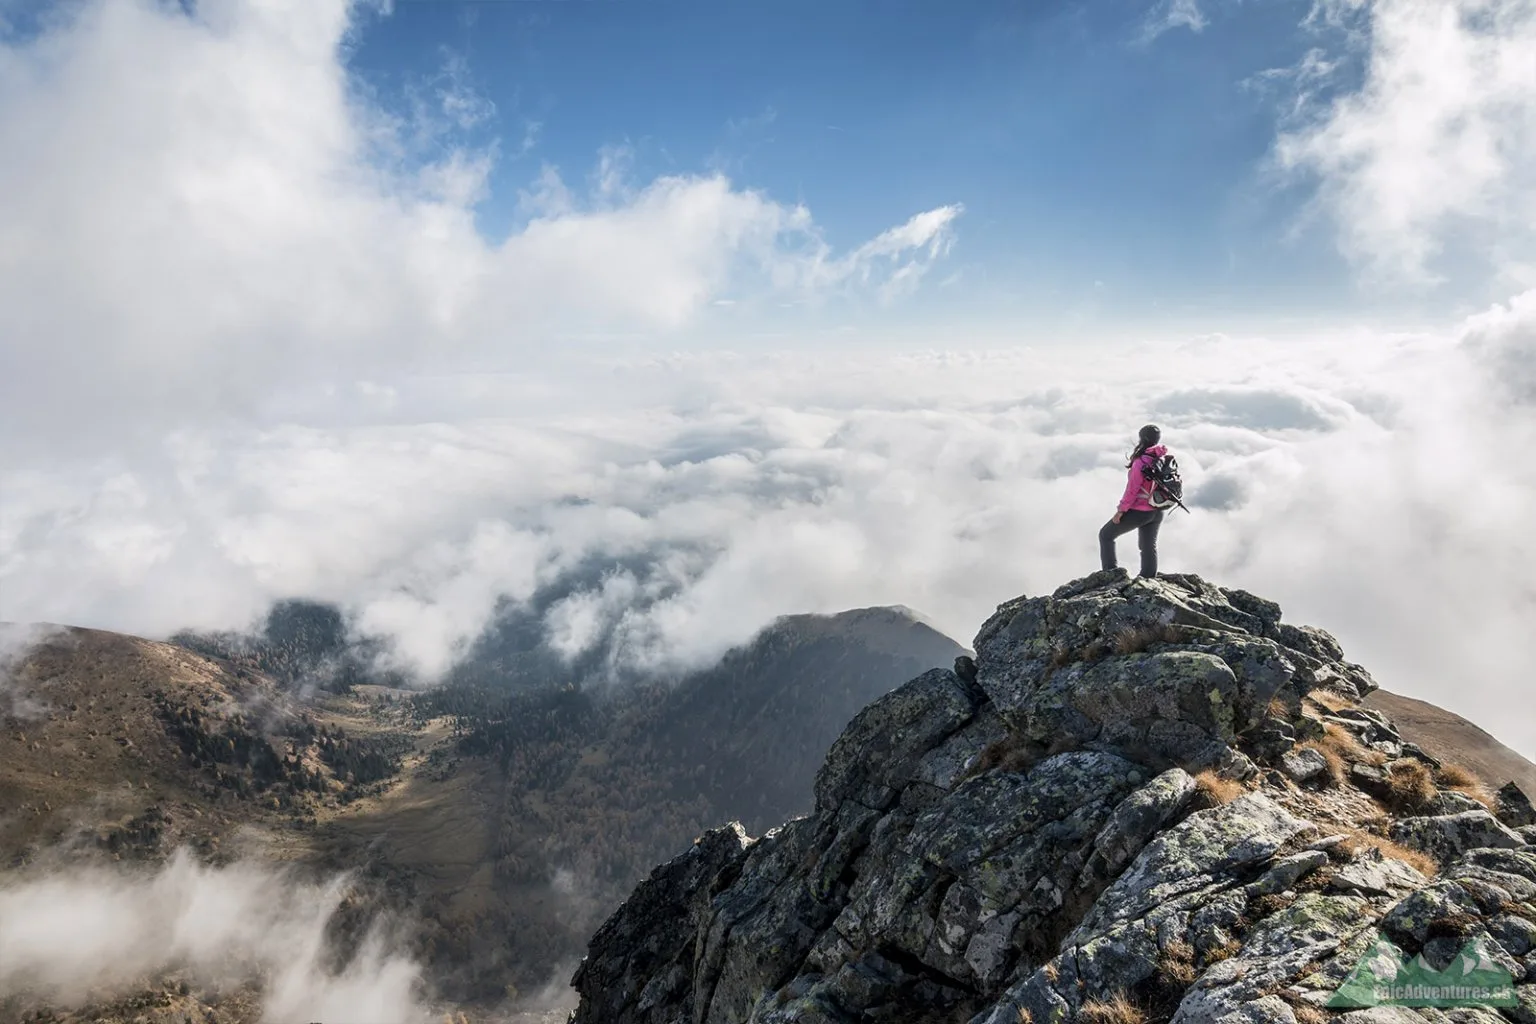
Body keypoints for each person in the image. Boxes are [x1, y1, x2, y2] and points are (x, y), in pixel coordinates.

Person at [1100, 424, 1168, 579]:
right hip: (1157, 510)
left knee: (1105, 535)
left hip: (1140, 511)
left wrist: (1121, 511)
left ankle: (1111, 574)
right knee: (1148, 546)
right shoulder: (1161, 458)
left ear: (1142, 439)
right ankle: (1148, 577)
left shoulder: (1141, 462)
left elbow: (1132, 490)